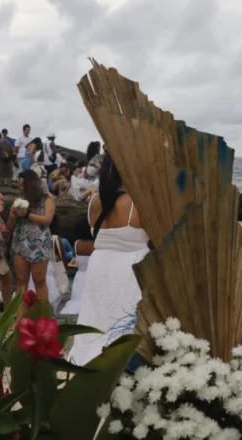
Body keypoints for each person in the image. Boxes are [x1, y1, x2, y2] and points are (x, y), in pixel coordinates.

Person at [69, 154, 150, 366]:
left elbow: (95, 234)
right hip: (130, 268)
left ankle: (85, 363)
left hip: (100, 266)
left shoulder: (95, 200)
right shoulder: (138, 203)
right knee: (122, 319)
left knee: (95, 317)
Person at [9, 169, 55, 304]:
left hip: (39, 244)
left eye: (23, 185)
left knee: (39, 281)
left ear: (31, 184)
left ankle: (42, 317)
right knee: (21, 280)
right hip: (20, 243)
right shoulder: (19, 199)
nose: (20, 187)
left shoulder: (47, 198)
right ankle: (19, 317)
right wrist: (12, 217)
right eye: (19, 184)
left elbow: (47, 220)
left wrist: (27, 215)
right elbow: (10, 227)